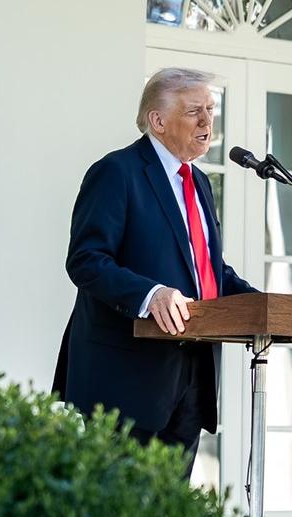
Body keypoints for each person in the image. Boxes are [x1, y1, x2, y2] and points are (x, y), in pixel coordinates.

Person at [52, 67, 257, 471]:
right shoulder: (117, 172)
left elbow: (206, 270)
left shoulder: (199, 184)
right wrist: (151, 295)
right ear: (158, 121)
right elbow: (86, 259)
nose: (207, 121)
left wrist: (262, 304)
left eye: (211, 109)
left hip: (190, 384)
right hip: (124, 383)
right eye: (194, 110)